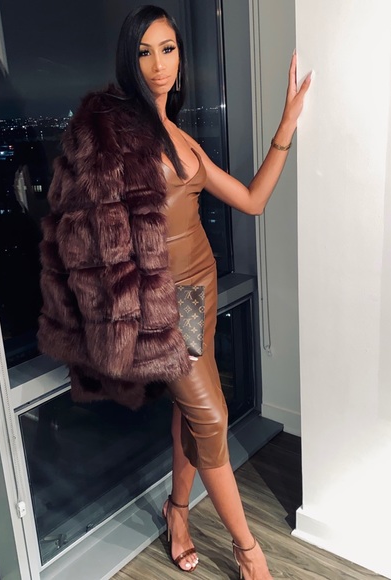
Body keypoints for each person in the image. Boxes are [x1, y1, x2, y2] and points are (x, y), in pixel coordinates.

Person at [38, 5, 311, 578]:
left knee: (191, 414)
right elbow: (89, 234)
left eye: (168, 49)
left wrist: (286, 126)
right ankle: (249, 552)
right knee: (211, 417)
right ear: (129, 60)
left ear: (181, 58)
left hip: (201, 288)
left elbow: (252, 200)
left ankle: (177, 512)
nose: (159, 64)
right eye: (145, 52)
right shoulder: (113, 135)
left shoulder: (180, 135)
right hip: (165, 303)